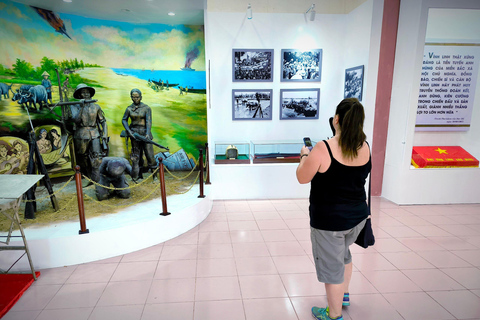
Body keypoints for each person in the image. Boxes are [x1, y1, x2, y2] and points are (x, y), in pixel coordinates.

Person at [296, 98, 371, 320]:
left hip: (329, 223)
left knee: (331, 270)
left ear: (336, 119)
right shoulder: (365, 146)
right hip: (357, 219)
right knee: (344, 255)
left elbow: (302, 177)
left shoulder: (323, 148)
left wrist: (303, 156)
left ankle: (334, 314)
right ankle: (344, 295)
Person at [66, 83, 108, 183]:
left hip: (95, 134)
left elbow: (103, 121)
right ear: (79, 95)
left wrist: (105, 134)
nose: (86, 94)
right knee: (82, 157)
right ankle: (86, 177)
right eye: (83, 93)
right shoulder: (74, 106)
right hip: (81, 133)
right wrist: (81, 106)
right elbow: (76, 120)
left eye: (87, 92)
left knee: (96, 156)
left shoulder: (96, 107)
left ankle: (96, 178)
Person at [122, 88, 155, 179]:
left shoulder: (146, 108)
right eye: (133, 97)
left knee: (149, 155)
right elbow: (124, 119)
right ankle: (139, 175)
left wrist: (147, 133)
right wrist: (128, 130)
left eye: (137, 97)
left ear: (141, 97)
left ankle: (154, 176)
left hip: (145, 133)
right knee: (137, 156)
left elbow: (149, 121)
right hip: (134, 134)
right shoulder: (129, 108)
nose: (135, 99)